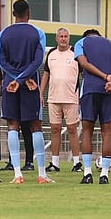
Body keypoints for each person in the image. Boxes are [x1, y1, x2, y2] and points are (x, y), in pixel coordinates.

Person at [0, 0, 51, 184]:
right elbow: (37, 62)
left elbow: (2, 62)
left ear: (14, 14)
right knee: (36, 125)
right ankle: (42, 174)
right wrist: (24, 79)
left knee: (13, 125)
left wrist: (15, 80)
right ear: (28, 13)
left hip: (10, 84)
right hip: (30, 84)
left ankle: (17, 174)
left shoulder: (3, 34)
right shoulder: (38, 33)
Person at [74, 28, 111, 184]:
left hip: (90, 89)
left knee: (87, 130)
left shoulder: (81, 43)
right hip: (110, 91)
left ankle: (88, 172)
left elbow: (83, 63)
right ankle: (104, 174)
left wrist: (104, 77)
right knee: (107, 131)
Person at [40, 27, 81, 173]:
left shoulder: (76, 54)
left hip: (71, 98)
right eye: (61, 36)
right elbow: (46, 74)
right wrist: (41, 93)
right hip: (53, 98)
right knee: (55, 129)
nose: (63, 39)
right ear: (56, 39)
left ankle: (77, 162)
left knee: (72, 129)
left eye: (66, 36)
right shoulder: (51, 54)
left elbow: (84, 74)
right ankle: (55, 162)